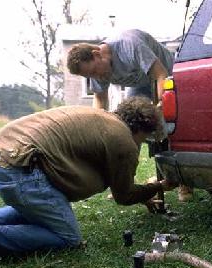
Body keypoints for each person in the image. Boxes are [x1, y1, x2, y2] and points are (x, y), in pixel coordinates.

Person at [0, 97, 175, 258]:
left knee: (37, 210)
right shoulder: (123, 140)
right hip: (18, 168)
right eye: (146, 138)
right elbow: (123, 195)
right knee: (67, 238)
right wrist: (159, 186)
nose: (142, 143)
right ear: (142, 129)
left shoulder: (102, 119)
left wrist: (143, 194)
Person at [66, 28, 193, 202]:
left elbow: (160, 74)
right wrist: (99, 127)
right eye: (90, 76)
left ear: (97, 53)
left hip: (166, 76)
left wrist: (160, 107)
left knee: (168, 126)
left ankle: (184, 182)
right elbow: (100, 100)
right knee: (127, 128)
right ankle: (126, 184)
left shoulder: (129, 45)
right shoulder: (94, 68)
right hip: (140, 84)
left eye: (95, 72)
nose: (96, 77)